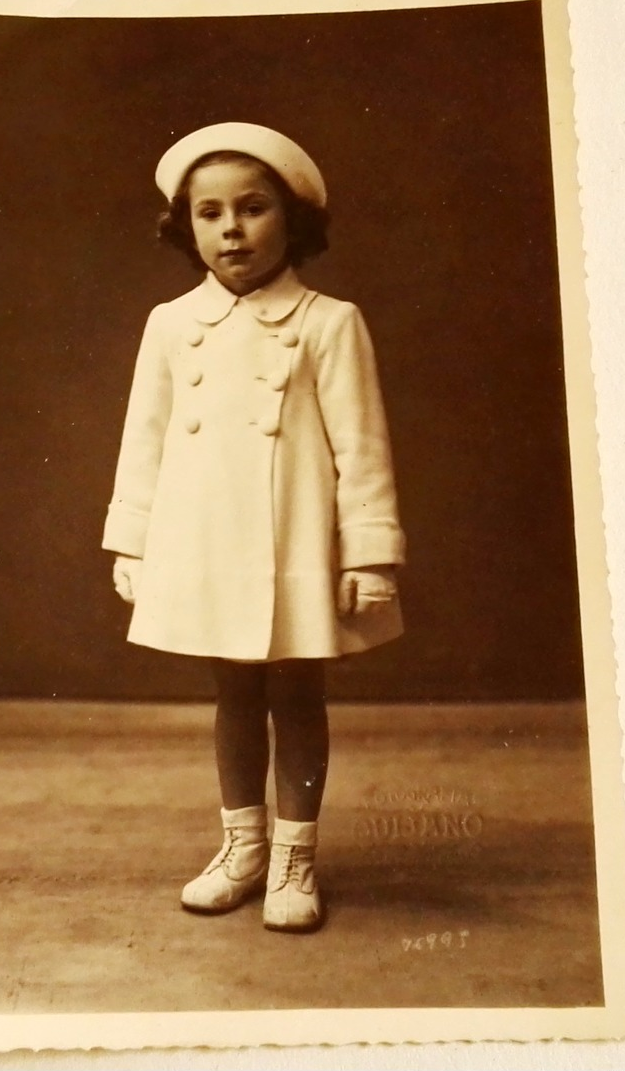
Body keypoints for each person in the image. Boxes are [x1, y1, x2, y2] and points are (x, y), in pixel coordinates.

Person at [103, 122, 406, 932]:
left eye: (252, 208)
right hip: (203, 536)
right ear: (186, 225)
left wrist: (369, 551)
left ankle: (294, 857)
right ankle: (242, 847)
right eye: (209, 212)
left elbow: (362, 446)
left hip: (295, 537)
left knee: (296, 689)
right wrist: (132, 538)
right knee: (232, 690)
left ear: (292, 220)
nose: (230, 229)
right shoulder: (171, 323)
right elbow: (146, 437)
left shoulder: (327, 321)